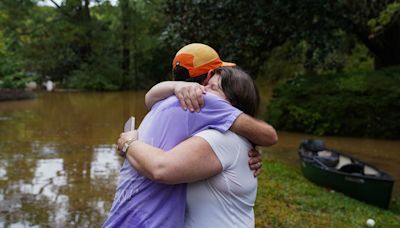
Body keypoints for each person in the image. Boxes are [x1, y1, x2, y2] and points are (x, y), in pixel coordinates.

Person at [103, 44, 277, 227]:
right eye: (205, 85)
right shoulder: (195, 123)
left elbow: (160, 168)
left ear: (234, 101)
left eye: (213, 87)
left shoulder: (218, 133)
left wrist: (129, 142)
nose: (204, 92)